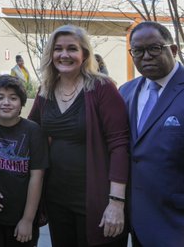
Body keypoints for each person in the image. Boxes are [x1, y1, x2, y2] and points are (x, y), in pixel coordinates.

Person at [29, 25, 129, 247]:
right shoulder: (46, 90)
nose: (64, 55)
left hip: (96, 196)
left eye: (72, 49)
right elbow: (29, 132)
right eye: (58, 49)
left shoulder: (102, 87)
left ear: (84, 55)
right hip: (56, 197)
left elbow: (119, 145)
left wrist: (116, 202)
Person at [119, 21, 184, 247]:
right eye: (138, 51)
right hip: (137, 219)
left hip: (176, 222)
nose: (146, 56)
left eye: (154, 48)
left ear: (173, 50)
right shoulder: (126, 92)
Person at [0, 75, 47, 247]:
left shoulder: (33, 131)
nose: (6, 102)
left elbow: (37, 176)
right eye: (0, 97)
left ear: (21, 103)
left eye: (13, 98)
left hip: (21, 215)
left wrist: (28, 220)